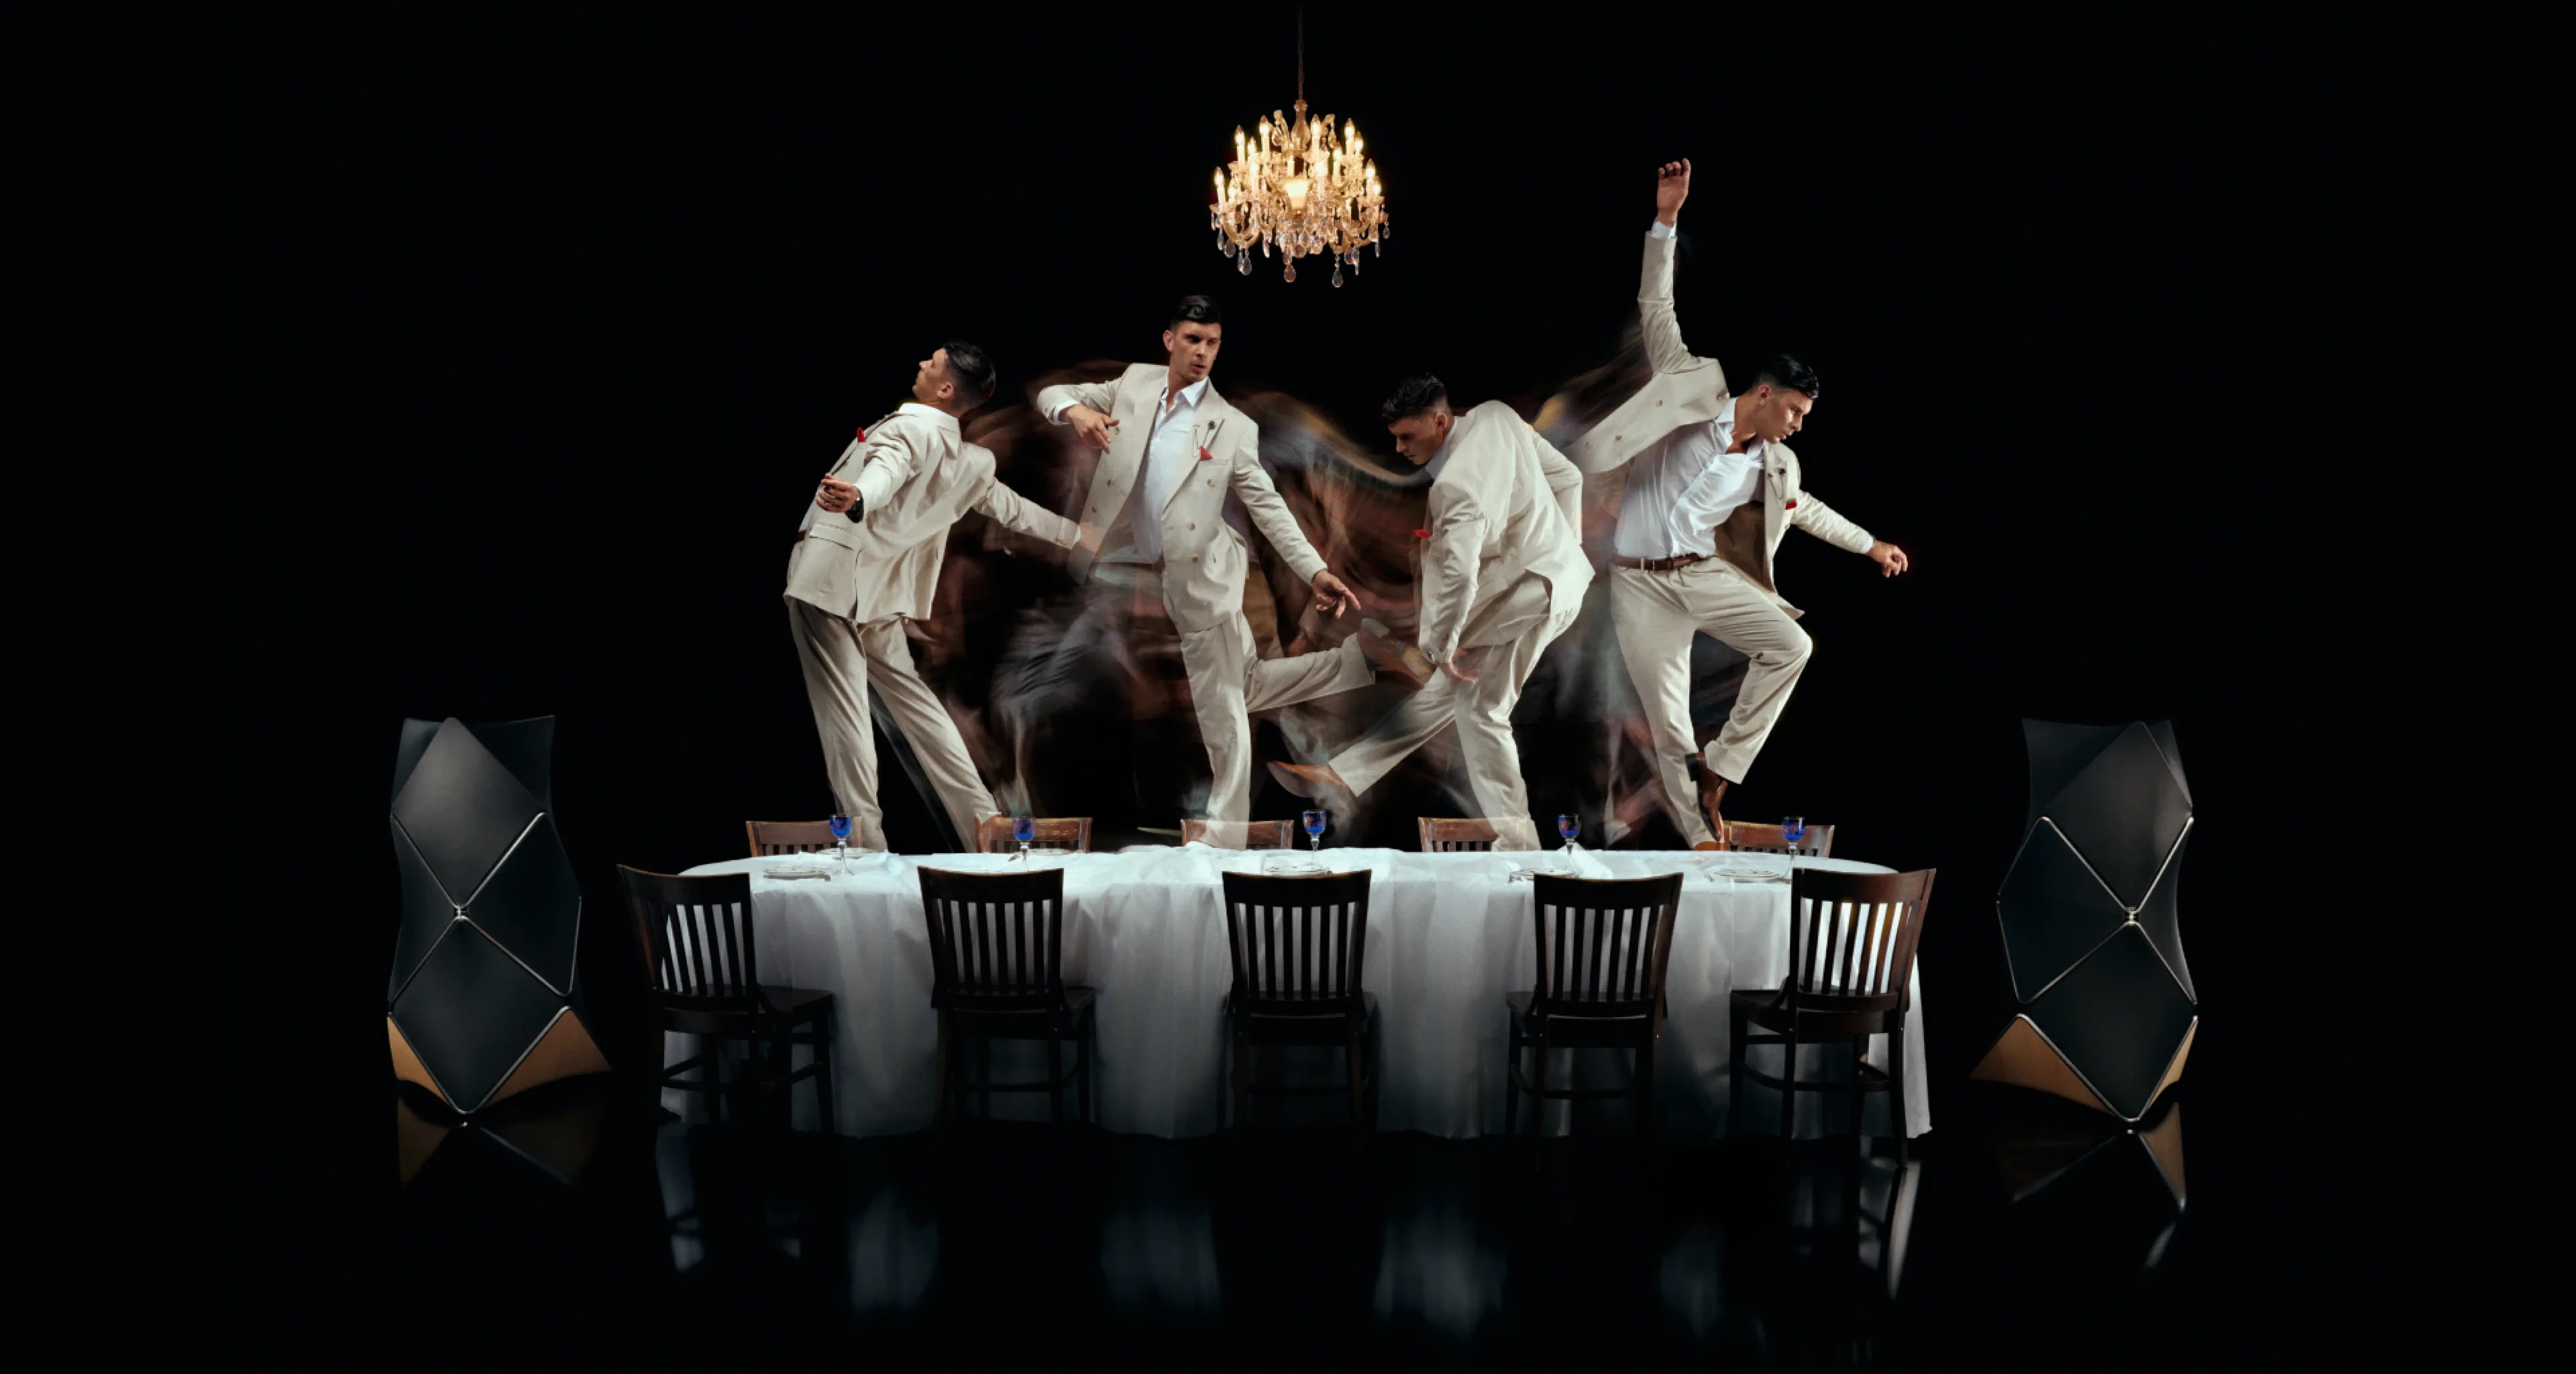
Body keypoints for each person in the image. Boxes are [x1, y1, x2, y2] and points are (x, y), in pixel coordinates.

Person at [1568, 160, 1910, 848]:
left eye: (1805, 414)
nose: (1798, 423)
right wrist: (1665, 220)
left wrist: (1870, 543)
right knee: (1667, 725)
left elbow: (1805, 508)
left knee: (1792, 645)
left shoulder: (1775, 463)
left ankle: (1722, 767)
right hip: (1639, 586)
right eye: (1794, 409)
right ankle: (1701, 834)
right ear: (1762, 393)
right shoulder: (1691, 393)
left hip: (1702, 575)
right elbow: (1656, 310)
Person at [1035, 296, 1420, 824]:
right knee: (1249, 684)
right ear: (1170, 340)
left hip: (1205, 574)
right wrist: (1075, 411)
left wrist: (1315, 571)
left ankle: (1227, 831)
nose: (1203, 353)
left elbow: (1269, 506)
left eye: (1213, 343)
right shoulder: (1133, 384)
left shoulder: (1232, 425)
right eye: (1193, 340)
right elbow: (1050, 393)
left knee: (1220, 707)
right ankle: (1362, 659)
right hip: (1146, 565)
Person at [786, 341, 1084, 849]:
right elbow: (1012, 509)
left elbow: (885, 472)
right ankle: (986, 827)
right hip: (880, 596)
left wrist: (859, 498)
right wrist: (1078, 536)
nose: (922, 363)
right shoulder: (972, 462)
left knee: (846, 712)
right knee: (919, 708)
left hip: (831, 583)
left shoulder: (906, 429)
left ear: (945, 389)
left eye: (933, 362)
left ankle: (865, 845)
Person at [1269, 376, 1590, 846]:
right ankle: (1343, 774)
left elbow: (1462, 579)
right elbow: (1569, 478)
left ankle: (1522, 846)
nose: (1399, 448)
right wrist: (1565, 549)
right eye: (1395, 437)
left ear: (1440, 422)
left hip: (1530, 596)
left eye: (1407, 437)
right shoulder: (1498, 414)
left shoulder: (1456, 486)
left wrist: (1441, 646)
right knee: (1455, 695)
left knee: (1482, 712)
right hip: (1546, 585)